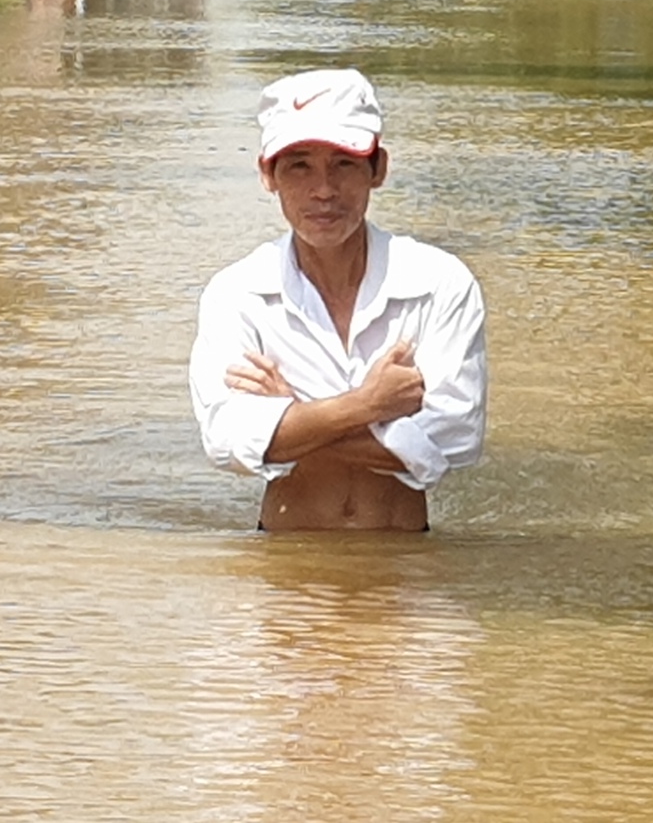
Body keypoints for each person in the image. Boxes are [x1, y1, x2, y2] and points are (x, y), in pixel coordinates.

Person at [189, 68, 487, 530]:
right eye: (299, 166)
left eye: (344, 164)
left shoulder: (440, 283)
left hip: (407, 565)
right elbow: (228, 441)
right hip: (283, 568)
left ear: (378, 169)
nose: (323, 190)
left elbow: (454, 439)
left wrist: (293, 414)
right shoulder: (238, 294)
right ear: (268, 175)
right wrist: (368, 405)